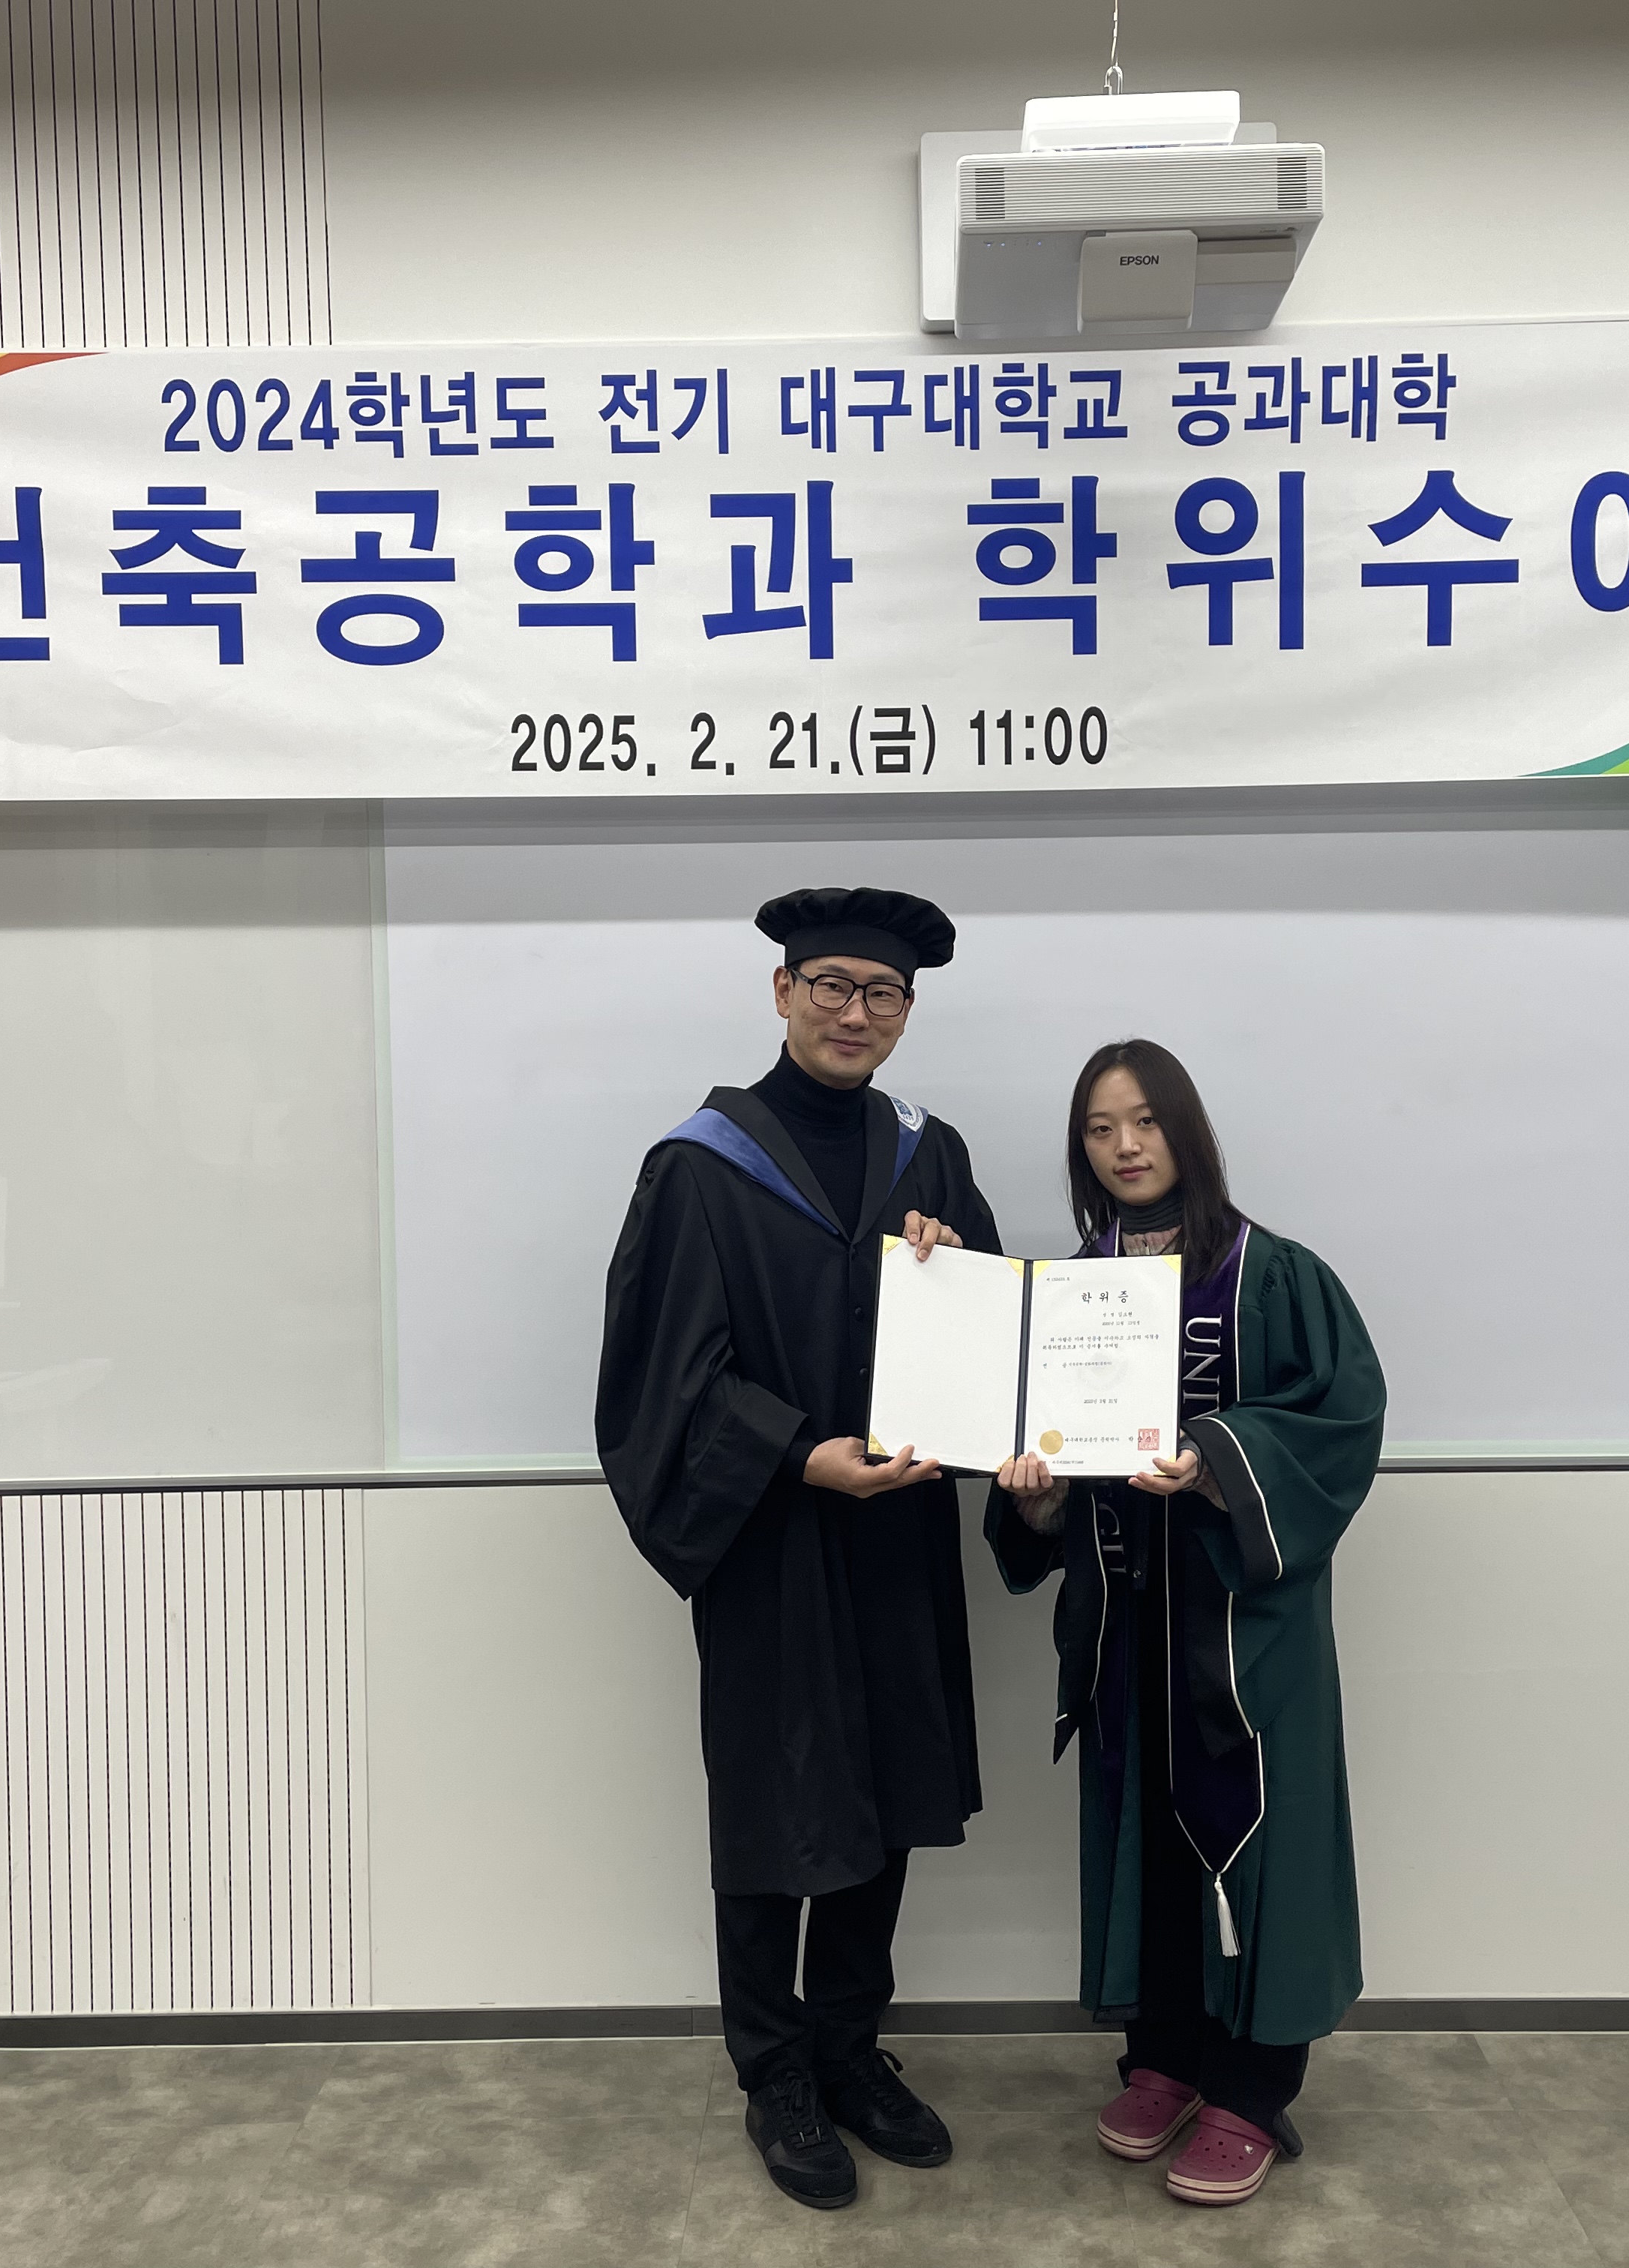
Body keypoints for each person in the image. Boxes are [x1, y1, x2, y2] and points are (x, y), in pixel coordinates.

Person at [596, 886, 1004, 2212]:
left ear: (906, 1012)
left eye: (881, 993)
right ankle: (773, 2071)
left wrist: (956, 1268)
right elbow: (663, 1377)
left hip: (898, 1537)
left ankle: (848, 2048)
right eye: (830, 984)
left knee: (884, 1793)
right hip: (771, 1539)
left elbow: (995, 1341)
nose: (854, 1012)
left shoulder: (928, 1156)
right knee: (777, 1808)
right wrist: (796, 1455)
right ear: (781, 993)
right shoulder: (701, 1165)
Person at [988, 1038, 1386, 2208]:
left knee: (1259, 1845)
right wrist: (1039, 1499)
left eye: (1146, 1121)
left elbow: (1341, 1421)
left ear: (1187, 1130)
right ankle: (1162, 2054)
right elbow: (1040, 1461)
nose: (1125, 1146)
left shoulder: (1278, 1277)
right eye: (1100, 1128)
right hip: (1126, 1626)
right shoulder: (1065, 1298)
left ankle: (1252, 2090)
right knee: (1147, 1843)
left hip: (1246, 1638)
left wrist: (1214, 1460)